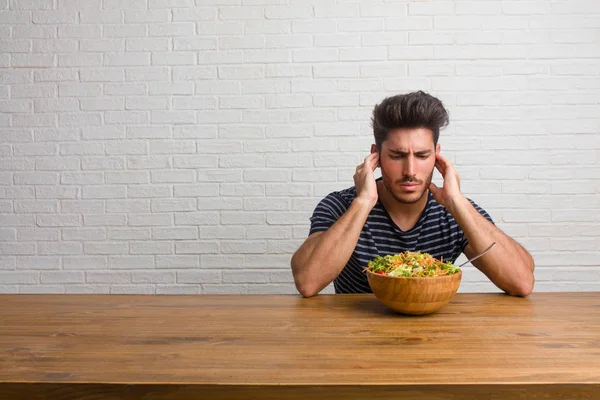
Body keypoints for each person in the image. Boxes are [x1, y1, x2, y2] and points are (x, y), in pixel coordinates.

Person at [291, 91, 535, 298]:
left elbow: (521, 282)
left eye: (421, 156)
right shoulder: (340, 205)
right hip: (357, 340)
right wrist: (364, 201)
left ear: (437, 156)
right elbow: (307, 282)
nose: (410, 171)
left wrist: (458, 203)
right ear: (375, 157)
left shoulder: (455, 211)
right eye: (397, 156)